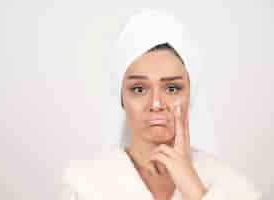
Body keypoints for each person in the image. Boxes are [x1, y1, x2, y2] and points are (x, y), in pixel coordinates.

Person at [60, 9, 262, 200]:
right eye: (139, 89)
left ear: (191, 95)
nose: (156, 104)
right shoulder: (85, 184)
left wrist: (193, 188)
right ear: (121, 99)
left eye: (172, 88)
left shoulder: (233, 186)